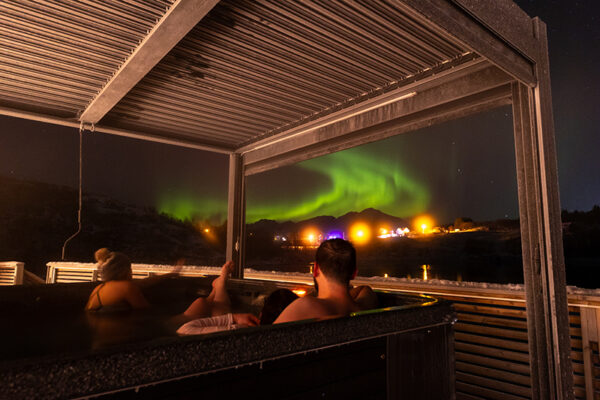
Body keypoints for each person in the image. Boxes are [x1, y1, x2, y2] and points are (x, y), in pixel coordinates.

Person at [274, 239, 377, 323]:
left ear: (315, 270)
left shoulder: (306, 306)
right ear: (354, 273)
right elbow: (364, 288)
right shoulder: (363, 308)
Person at [177, 288, 298, 335]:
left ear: (261, 314)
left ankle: (218, 288)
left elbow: (183, 330)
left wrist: (234, 319)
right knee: (211, 306)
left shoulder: (242, 333)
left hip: (181, 325)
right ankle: (218, 289)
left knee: (201, 303)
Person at [85, 252, 150, 312]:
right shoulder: (127, 287)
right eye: (130, 268)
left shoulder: (98, 288)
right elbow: (145, 310)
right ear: (124, 270)